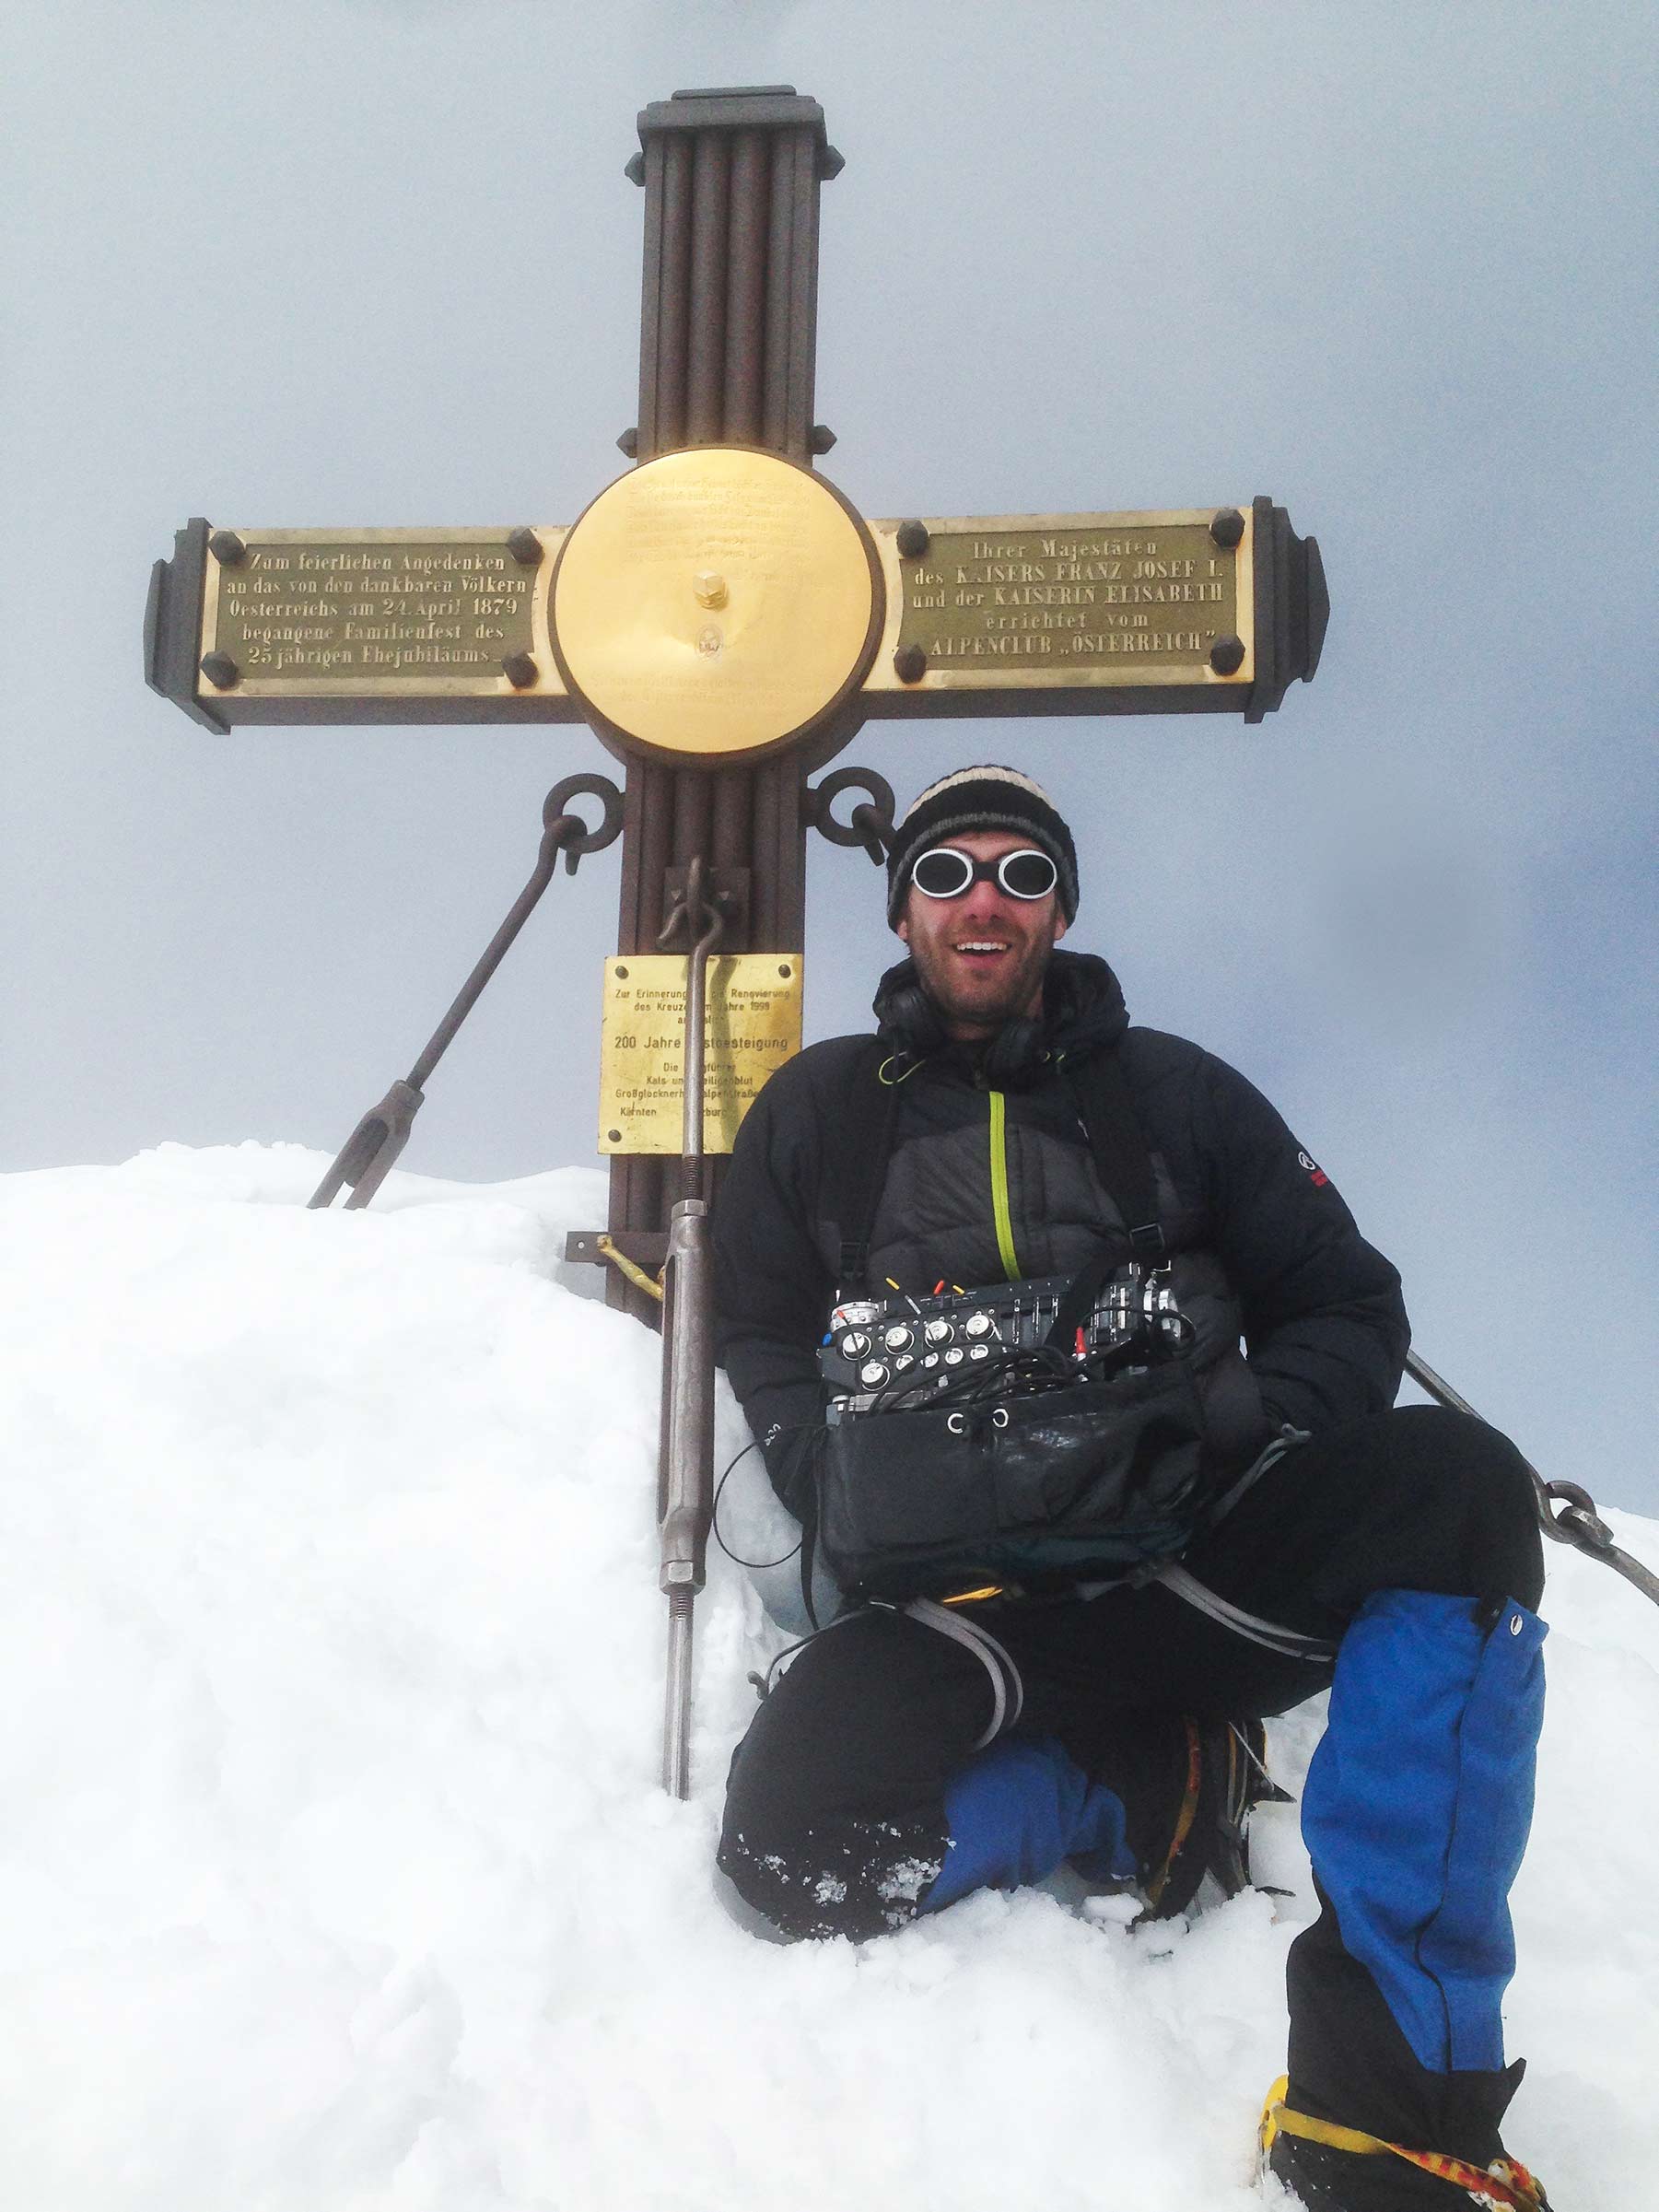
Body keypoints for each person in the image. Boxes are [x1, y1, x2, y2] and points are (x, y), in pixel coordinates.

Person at [711, 766, 1552, 2211]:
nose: (985, 900)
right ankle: (1134, 1788)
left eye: (1023, 874)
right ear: (903, 905)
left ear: (1062, 909)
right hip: (958, 1604)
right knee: (789, 1846)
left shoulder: (1174, 1092)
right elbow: (760, 1328)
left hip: (1186, 1566)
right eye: (949, 871)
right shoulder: (817, 1113)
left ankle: (1390, 2108)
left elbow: (1346, 1304)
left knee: (1462, 1487)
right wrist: (814, 1467)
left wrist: (1238, 1422)